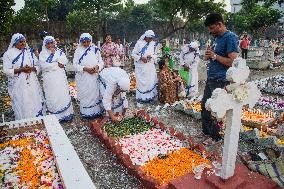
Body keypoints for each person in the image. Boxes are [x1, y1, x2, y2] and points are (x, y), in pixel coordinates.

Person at [202, 13, 238, 142]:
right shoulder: (216, 38)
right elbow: (213, 55)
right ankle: (206, 133)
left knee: (216, 110)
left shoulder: (230, 37)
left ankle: (215, 137)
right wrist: (209, 55)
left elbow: (233, 62)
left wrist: (215, 56)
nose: (210, 31)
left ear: (220, 24)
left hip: (221, 80)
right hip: (211, 78)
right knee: (205, 106)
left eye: (212, 28)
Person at [3, 33, 45, 120]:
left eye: (24, 41)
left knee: (34, 100)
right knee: (23, 102)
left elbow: (38, 66)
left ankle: (37, 120)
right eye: (20, 42)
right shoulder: (8, 54)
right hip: (18, 84)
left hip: (32, 81)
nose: (23, 43)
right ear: (15, 43)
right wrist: (21, 69)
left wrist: (32, 68)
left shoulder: (29, 52)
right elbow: (6, 70)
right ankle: (25, 122)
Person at [39, 36, 74, 122]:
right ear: (45, 44)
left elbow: (64, 62)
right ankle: (56, 117)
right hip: (49, 79)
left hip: (60, 78)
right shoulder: (42, 54)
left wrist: (54, 59)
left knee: (62, 94)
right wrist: (56, 63)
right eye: (48, 43)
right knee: (53, 95)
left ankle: (66, 115)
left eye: (52, 43)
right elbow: (44, 66)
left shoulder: (59, 51)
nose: (50, 45)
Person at [73, 33, 104, 118]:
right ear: (81, 42)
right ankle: (86, 113)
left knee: (95, 94)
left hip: (94, 76)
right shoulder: (78, 51)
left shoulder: (95, 49)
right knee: (85, 94)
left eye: (88, 41)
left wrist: (97, 67)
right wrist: (85, 69)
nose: (86, 44)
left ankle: (96, 111)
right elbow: (75, 65)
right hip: (83, 77)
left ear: (90, 41)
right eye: (84, 42)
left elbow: (101, 62)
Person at [131, 30, 158, 107]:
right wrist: (140, 58)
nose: (151, 40)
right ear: (146, 37)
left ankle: (150, 97)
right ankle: (142, 98)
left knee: (150, 81)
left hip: (150, 66)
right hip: (141, 67)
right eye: (150, 38)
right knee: (142, 82)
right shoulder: (139, 43)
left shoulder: (153, 44)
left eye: (152, 38)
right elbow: (133, 54)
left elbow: (156, 55)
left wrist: (151, 56)